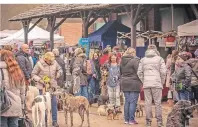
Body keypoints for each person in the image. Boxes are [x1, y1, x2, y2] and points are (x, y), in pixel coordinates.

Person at [137, 46, 167, 127]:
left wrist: (144, 81)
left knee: (148, 103)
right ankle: (159, 122)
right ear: (155, 50)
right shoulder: (160, 59)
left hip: (147, 83)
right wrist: (162, 81)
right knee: (158, 103)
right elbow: (163, 72)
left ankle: (148, 122)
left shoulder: (143, 59)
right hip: (157, 83)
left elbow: (139, 72)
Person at [32, 52, 63, 127]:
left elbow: (60, 69)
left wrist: (59, 74)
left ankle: (54, 121)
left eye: (52, 60)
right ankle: (45, 121)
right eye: (50, 60)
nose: (51, 62)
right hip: (42, 87)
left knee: (54, 103)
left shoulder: (55, 62)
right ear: (45, 59)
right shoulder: (39, 64)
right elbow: (33, 74)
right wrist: (41, 80)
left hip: (52, 87)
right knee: (44, 105)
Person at [0, 49, 25, 127]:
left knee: (2, 124)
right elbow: (22, 91)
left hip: (3, 104)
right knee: (14, 124)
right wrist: (22, 104)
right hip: (16, 103)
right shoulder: (18, 71)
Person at [120, 47, 142, 125]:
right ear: (133, 53)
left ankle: (126, 119)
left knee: (127, 101)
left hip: (124, 82)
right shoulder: (135, 60)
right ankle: (131, 119)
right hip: (134, 82)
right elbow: (139, 71)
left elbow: (120, 72)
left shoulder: (122, 61)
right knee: (133, 102)